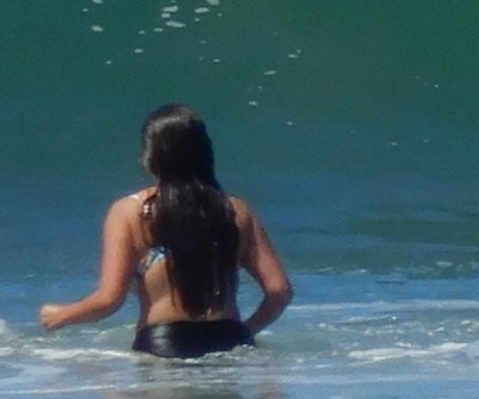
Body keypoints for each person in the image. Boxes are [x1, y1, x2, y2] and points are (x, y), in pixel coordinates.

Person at [39, 104, 293, 357]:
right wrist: (246, 332)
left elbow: (109, 300)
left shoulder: (129, 211)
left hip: (165, 346)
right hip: (229, 340)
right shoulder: (236, 210)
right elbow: (279, 290)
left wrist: (60, 316)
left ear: (151, 156)